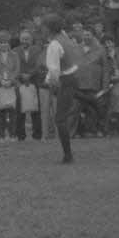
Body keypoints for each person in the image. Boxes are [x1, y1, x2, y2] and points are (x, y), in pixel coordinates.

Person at [43, 13, 87, 163]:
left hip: (65, 80)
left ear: (49, 29)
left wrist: (52, 84)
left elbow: (54, 71)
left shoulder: (54, 45)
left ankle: (68, 156)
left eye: (45, 27)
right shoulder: (64, 36)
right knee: (65, 113)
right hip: (72, 76)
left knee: (60, 119)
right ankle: (93, 102)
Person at [0, 32, 20, 141]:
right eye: (1, 42)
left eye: (5, 42)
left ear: (8, 43)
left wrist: (10, 80)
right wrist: (1, 81)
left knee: (13, 112)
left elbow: (17, 70)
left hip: (12, 86)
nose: (3, 44)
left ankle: (13, 135)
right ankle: (1, 135)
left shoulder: (14, 55)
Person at [14, 29, 43, 141]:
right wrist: (21, 75)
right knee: (19, 109)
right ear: (20, 39)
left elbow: (40, 64)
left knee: (36, 109)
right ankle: (20, 136)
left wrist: (30, 75)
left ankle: (37, 135)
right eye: (23, 39)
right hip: (19, 82)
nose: (25, 41)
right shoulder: (15, 50)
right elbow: (13, 66)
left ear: (31, 40)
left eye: (27, 39)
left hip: (34, 81)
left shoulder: (37, 50)